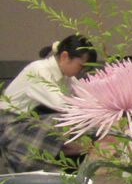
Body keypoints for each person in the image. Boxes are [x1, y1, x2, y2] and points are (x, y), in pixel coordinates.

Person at [0, 35, 96, 172]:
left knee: (79, 123)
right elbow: (63, 105)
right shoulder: (39, 70)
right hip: (10, 126)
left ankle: (71, 152)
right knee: (61, 120)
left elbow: (86, 98)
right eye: (80, 66)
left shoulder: (66, 77)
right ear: (64, 56)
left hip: (27, 122)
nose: (81, 71)